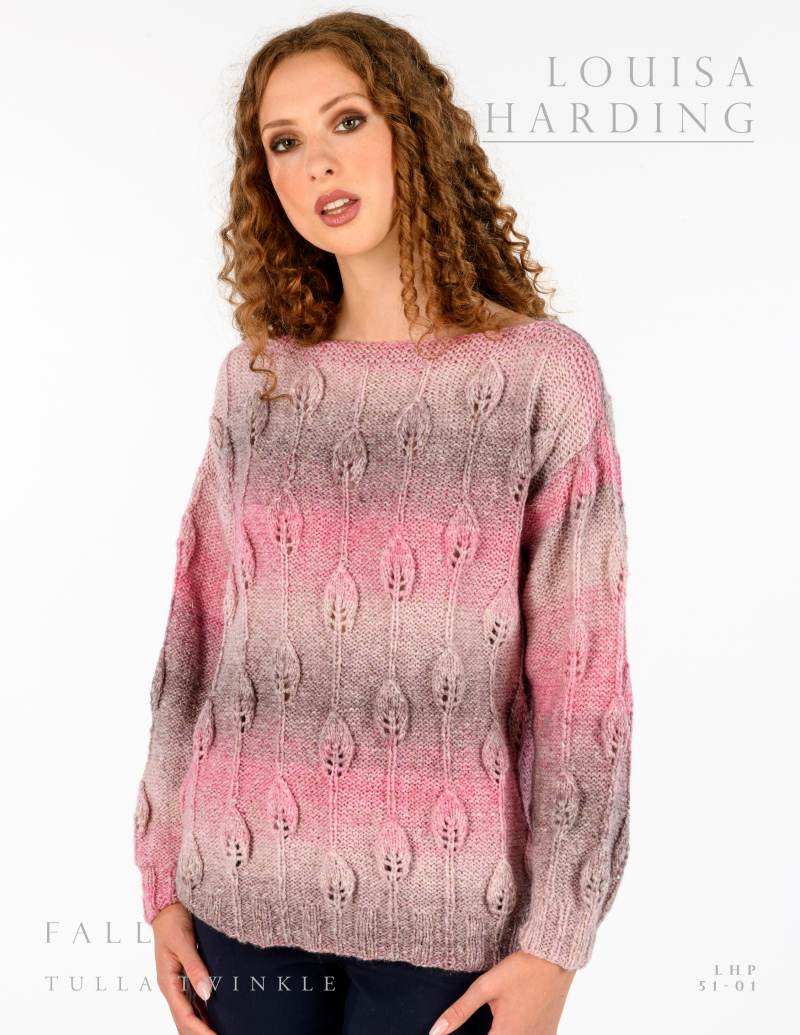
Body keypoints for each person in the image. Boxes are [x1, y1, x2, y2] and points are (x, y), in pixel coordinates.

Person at [133, 12, 633, 1035]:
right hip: (239, 899)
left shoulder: (540, 374)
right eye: (283, 141)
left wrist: (555, 943)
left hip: (449, 921)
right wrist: (161, 879)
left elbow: (581, 684)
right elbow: (196, 643)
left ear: (416, 130)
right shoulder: (256, 382)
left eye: (347, 120)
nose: (317, 161)